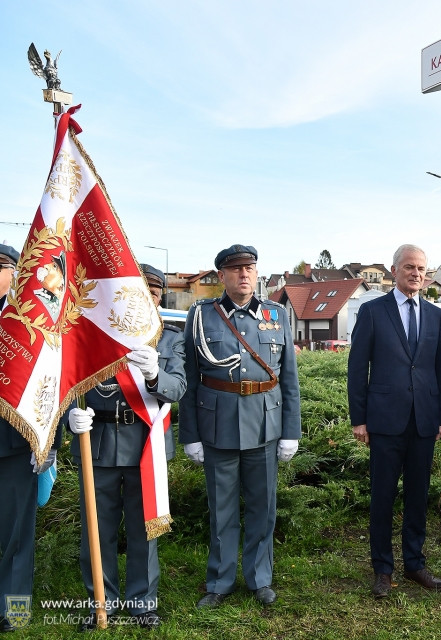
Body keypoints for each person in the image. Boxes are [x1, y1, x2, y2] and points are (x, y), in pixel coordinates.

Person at [179, 245, 300, 607]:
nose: (244, 274)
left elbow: (289, 380)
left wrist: (291, 430)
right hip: (217, 426)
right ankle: (219, 581)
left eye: (249, 268)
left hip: (265, 425)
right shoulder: (201, 316)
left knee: (263, 509)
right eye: (235, 269)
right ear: (222, 276)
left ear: (257, 273)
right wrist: (191, 435)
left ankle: (260, 579)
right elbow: (189, 378)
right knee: (222, 511)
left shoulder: (276, 314)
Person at [66, 265, 185, 629]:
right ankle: (101, 601)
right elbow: (69, 381)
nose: (148, 297)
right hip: (98, 443)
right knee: (96, 530)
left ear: (160, 296)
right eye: (140, 291)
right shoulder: (95, 332)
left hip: (145, 445)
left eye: (154, 292)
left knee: (142, 529)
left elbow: (178, 388)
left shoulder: (169, 338)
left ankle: (141, 603)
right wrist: (72, 414)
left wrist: (154, 375)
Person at [347, 244, 441, 599]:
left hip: (423, 422)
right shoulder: (373, 311)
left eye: (422, 268)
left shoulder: (436, 316)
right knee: (383, 497)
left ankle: (415, 563)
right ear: (394, 271)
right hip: (384, 421)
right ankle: (382, 569)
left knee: (418, 496)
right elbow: (357, 367)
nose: (417, 274)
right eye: (409, 267)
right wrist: (358, 419)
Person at [0, 241, 60, 632]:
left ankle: (14, 611)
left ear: (17, 274)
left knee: (17, 538)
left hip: (17, 446)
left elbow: (54, 383)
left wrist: (50, 441)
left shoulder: (33, 320)